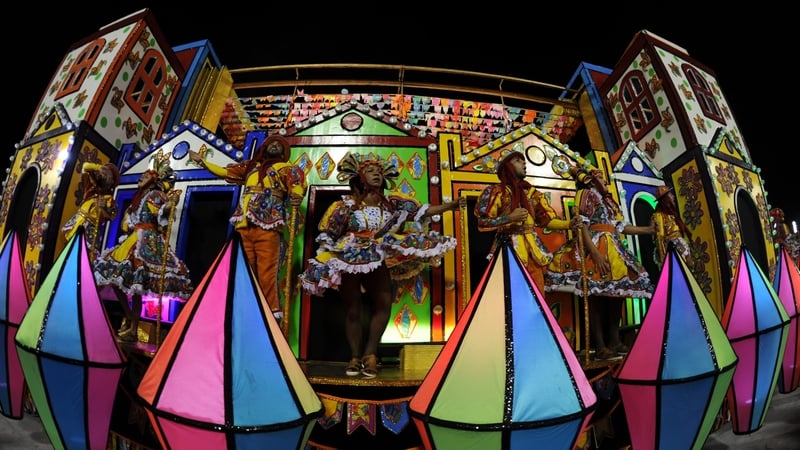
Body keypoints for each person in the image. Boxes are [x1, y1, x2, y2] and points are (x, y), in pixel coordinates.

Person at [300, 152, 464, 378]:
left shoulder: (393, 206)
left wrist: (452, 205)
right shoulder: (346, 205)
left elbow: (423, 211)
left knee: (384, 303)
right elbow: (328, 232)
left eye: (379, 172)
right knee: (352, 309)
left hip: (377, 255)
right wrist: (326, 259)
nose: (376, 174)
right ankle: (355, 356)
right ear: (359, 177)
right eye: (370, 171)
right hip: (350, 258)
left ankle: (370, 354)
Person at [188, 135, 307, 320]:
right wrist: (203, 162)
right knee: (243, 273)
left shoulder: (286, 168)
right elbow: (225, 171)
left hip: (268, 226)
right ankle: (242, 313)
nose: (275, 145)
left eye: (279, 145)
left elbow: (297, 184)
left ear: (284, 152)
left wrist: (296, 195)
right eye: (271, 143)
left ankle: (268, 318)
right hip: (244, 227)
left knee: (267, 275)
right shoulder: (250, 168)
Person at [545, 166, 654, 360]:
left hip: (614, 246)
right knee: (594, 295)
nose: (604, 180)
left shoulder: (608, 200)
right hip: (596, 245)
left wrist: (648, 230)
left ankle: (614, 340)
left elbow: (621, 227)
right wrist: (594, 252)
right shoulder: (586, 194)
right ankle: (600, 345)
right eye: (600, 178)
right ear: (591, 179)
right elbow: (583, 224)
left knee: (617, 293)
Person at [92, 159, 193, 342]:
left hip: (147, 239)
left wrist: (171, 203)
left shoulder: (155, 194)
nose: (142, 178)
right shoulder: (137, 199)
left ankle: (133, 327)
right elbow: (126, 224)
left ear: (153, 181)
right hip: (133, 238)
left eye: (146, 176)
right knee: (116, 280)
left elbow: (163, 211)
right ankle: (131, 320)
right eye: (142, 175)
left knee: (136, 285)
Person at [474, 150, 573, 294]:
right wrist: (509, 218)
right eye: (518, 161)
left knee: (537, 294)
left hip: (533, 252)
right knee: (513, 294)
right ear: (507, 166)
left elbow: (547, 221)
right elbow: (482, 222)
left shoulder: (533, 194)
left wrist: (569, 224)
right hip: (508, 248)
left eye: (524, 161)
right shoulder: (495, 192)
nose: (524, 163)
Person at [61, 161, 121, 258]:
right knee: (68, 252)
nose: (103, 175)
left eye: (107, 175)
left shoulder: (109, 200)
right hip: (77, 222)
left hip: (90, 229)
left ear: (112, 182)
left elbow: (112, 215)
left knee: (83, 255)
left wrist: (104, 207)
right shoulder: (91, 188)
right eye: (103, 173)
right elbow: (85, 167)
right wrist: (98, 167)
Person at [651, 185, 694, 269]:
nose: (673, 196)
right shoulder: (658, 216)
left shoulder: (671, 214)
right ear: (666, 199)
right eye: (670, 194)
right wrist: (664, 260)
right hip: (672, 250)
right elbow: (660, 238)